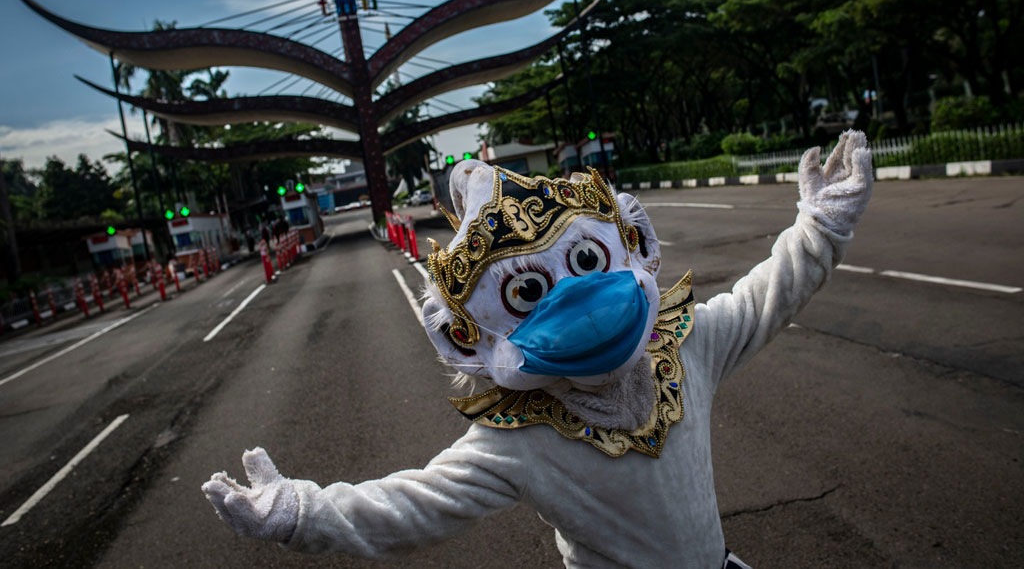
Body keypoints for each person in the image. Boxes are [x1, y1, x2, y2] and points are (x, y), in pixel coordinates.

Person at [203, 132, 873, 569]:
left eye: (586, 260)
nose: (580, 304)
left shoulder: (684, 347)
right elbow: (406, 507)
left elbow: (765, 299)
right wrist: (299, 512)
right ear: (471, 335)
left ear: (628, 244)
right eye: (526, 291)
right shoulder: (521, 439)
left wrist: (820, 227)